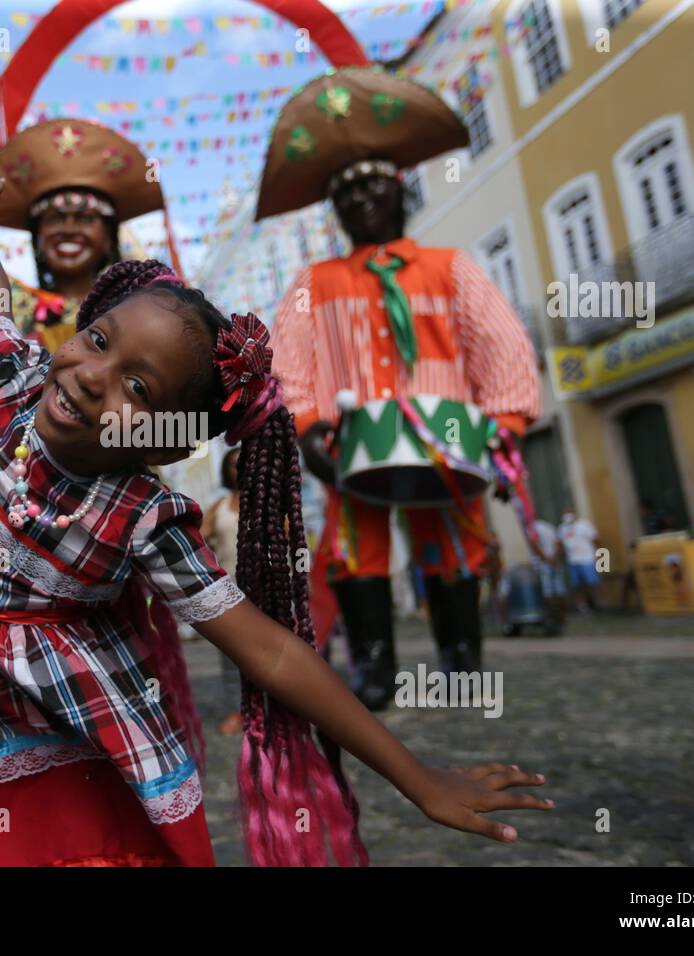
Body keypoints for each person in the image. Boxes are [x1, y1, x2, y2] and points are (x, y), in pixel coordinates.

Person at [0, 148, 552, 868]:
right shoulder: (11, 386)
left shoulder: (145, 517)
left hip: (64, 720)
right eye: (99, 340)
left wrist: (416, 777)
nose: (90, 377)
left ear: (167, 442)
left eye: (137, 390)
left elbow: (268, 647)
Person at [263, 68, 541, 710]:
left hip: (450, 436)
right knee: (355, 545)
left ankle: (462, 659)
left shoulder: (451, 268)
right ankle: (377, 666)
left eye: (374, 187)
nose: (362, 202)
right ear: (334, 209)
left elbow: (500, 343)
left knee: (456, 538)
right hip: (356, 439)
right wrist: (306, 427)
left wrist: (508, 425)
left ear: (398, 191)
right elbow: (288, 362)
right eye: (346, 194)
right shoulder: (317, 279)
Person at [0, 119, 174, 353]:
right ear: (37, 239)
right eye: (55, 218)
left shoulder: (137, 307)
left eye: (85, 218)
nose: (69, 228)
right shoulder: (11, 309)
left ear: (109, 239)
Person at [201, 447, 243, 735]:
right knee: (232, 656)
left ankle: (277, 710)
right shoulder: (220, 506)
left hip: (271, 591)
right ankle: (239, 711)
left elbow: (295, 544)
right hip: (231, 592)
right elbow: (197, 539)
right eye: (233, 465)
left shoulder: (273, 503)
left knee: (276, 653)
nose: (239, 468)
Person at [559, 509, 601, 612]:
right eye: (564, 514)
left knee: (593, 582)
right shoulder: (562, 528)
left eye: (568, 513)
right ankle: (582, 606)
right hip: (573, 560)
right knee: (577, 585)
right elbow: (560, 543)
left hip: (587, 558)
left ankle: (598, 603)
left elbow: (595, 539)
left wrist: (600, 555)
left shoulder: (584, 525)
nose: (567, 516)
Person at [532, 516, 566, 615]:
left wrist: (546, 559)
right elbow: (559, 543)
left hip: (542, 563)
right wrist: (554, 557)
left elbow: (535, 544)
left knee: (547, 590)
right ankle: (562, 613)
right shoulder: (549, 526)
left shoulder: (533, 528)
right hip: (554, 561)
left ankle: (550, 613)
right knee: (559, 587)